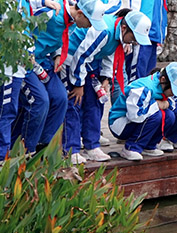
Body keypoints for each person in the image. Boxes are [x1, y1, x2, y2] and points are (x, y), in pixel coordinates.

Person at [0, 0, 56, 163]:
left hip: (15, 62)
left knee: (10, 109)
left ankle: (3, 157)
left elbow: (27, 8)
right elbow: (10, 28)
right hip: (7, 61)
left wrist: (43, 0)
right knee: (4, 110)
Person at [60, 9, 153, 163]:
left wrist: (106, 78)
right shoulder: (104, 31)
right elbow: (80, 56)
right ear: (124, 28)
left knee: (95, 102)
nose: (134, 42)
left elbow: (108, 55)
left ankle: (92, 145)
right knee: (74, 104)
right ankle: (72, 148)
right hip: (72, 64)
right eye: (134, 37)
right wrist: (78, 84)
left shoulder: (119, 36)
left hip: (91, 64)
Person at [23, 0, 109, 152]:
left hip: (44, 61)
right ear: (81, 14)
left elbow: (59, 38)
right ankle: (26, 148)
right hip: (26, 61)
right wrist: (30, 57)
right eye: (90, 22)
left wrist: (57, 54)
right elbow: (26, 29)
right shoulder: (52, 13)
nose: (90, 27)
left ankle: (44, 145)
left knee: (61, 98)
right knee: (41, 101)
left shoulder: (72, 21)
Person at [108, 62, 177, 161]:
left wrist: (162, 104)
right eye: (173, 89)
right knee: (157, 115)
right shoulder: (143, 88)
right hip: (120, 123)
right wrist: (156, 105)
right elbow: (135, 116)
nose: (173, 93)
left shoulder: (163, 86)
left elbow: (171, 105)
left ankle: (149, 145)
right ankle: (131, 148)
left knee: (169, 116)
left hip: (134, 120)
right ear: (163, 80)